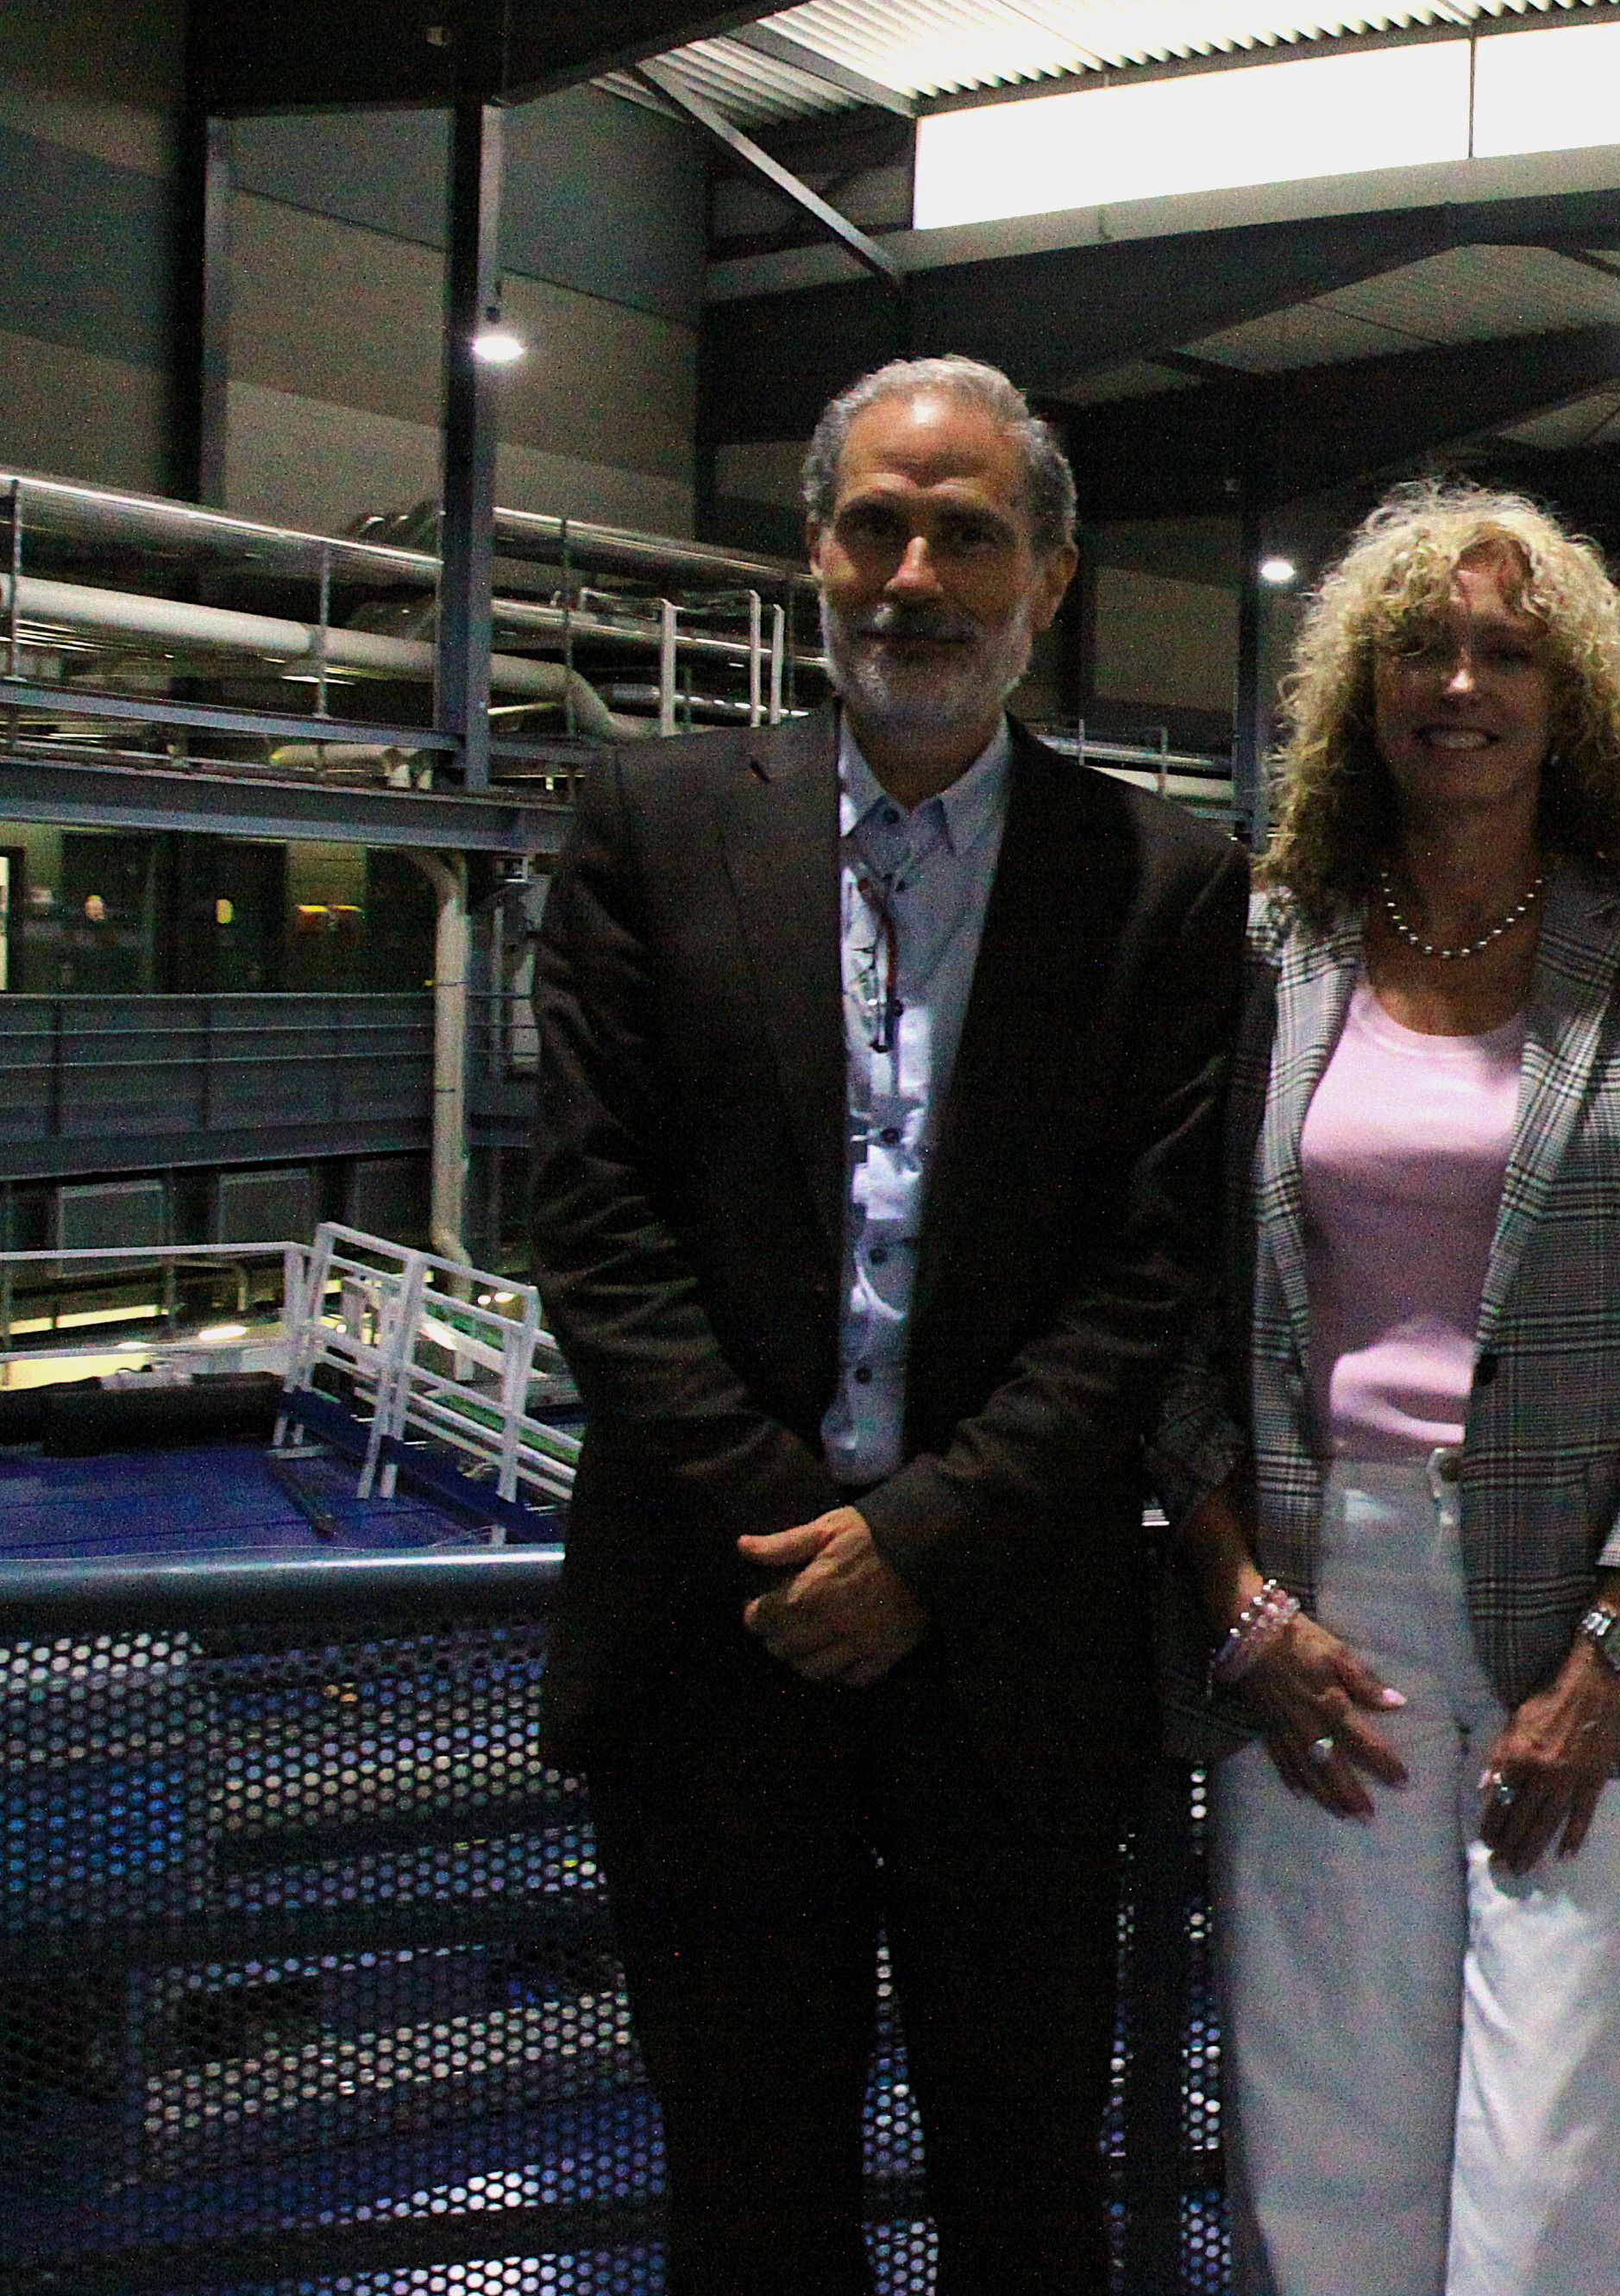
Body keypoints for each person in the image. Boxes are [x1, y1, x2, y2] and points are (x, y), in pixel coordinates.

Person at [534, 354, 1247, 2296]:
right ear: (815, 552)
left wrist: (919, 1542)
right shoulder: (650, 824)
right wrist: (803, 1534)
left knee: (1028, 2198)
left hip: (1009, 1654)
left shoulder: (1162, 885)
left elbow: (1150, 1275)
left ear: (1051, 578)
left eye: (967, 535)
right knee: (747, 2202)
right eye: (877, 527)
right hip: (720, 1636)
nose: (915, 578)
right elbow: (594, 1226)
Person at [1157, 481, 1620, 2296]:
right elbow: (1175, 1303)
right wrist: (1239, 1601)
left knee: (1563, 2162)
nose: (1460, 686)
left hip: (1594, 1618)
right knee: (1322, 2136)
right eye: (1421, 650)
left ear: (1568, 697)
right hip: (1316, 1610)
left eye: (1507, 653)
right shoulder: (1269, 952)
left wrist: (1616, 1648)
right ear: (1362, 690)